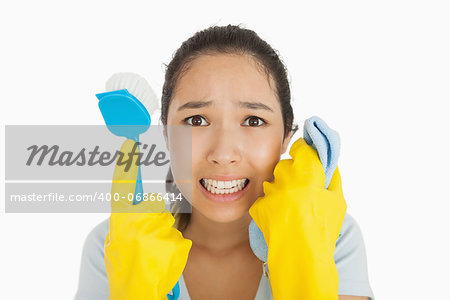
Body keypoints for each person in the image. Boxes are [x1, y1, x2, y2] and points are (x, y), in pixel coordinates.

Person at [75, 24, 375, 300]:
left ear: (287, 135)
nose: (223, 153)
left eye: (253, 120)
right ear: (166, 134)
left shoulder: (329, 237)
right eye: (196, 120)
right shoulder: (115, 246)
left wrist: (304, 268)